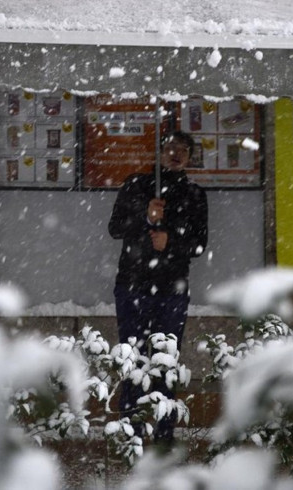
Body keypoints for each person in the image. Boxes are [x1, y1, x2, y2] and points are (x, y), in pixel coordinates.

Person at [108, 129, 208, 446]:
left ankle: (164, 436)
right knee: (133, 359)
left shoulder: (194, 194)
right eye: (170, 148)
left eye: (183, 150)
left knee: (166, 362)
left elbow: (199, 245)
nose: (176, 154)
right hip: (133, 286)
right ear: (159, 152)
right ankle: (131, 433)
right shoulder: (136, 185)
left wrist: (170, 240)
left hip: (172, 289)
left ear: (190, 158)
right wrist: (145, 216)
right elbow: (115, 228)